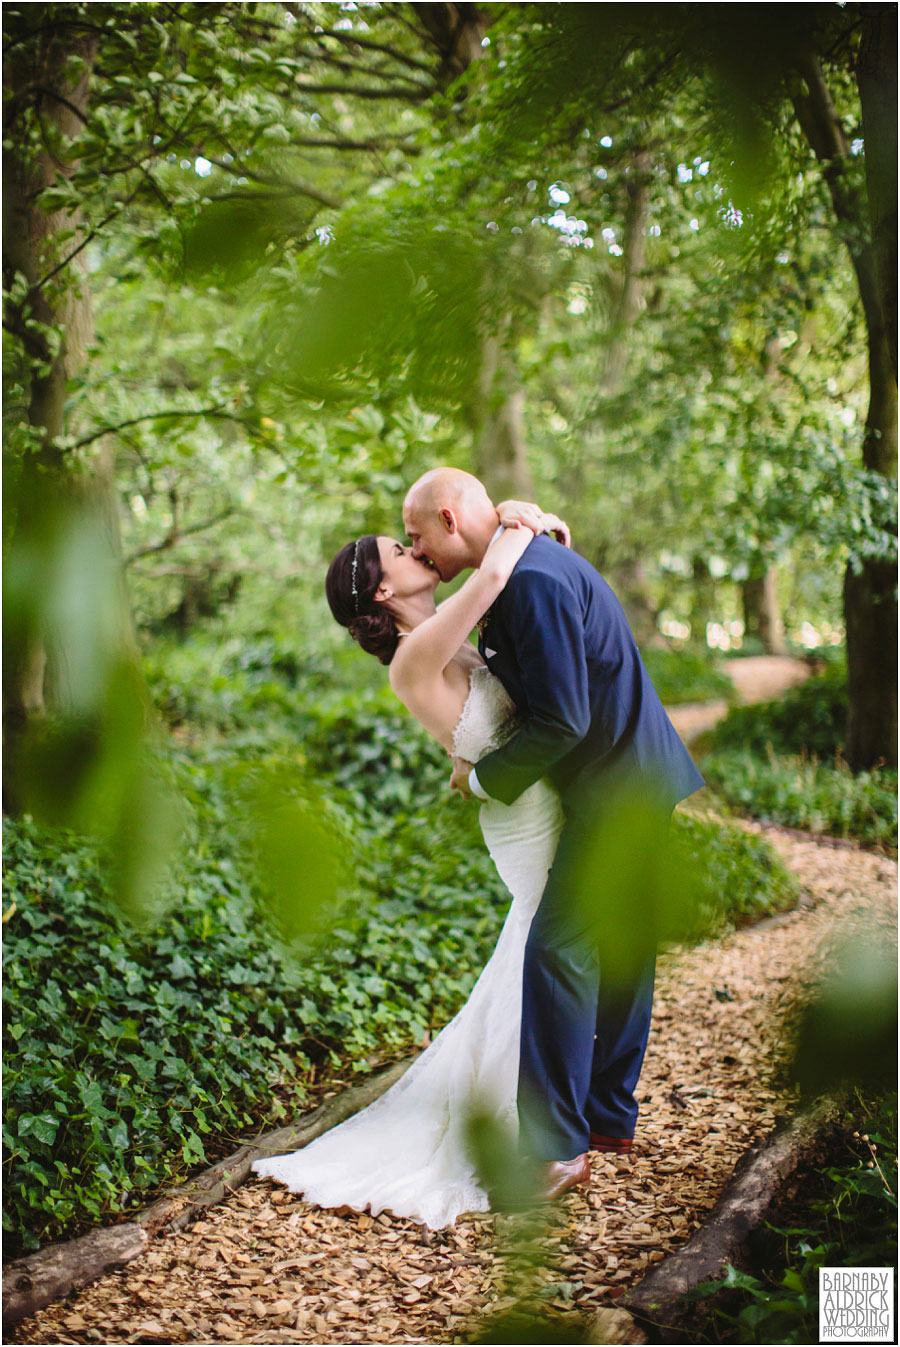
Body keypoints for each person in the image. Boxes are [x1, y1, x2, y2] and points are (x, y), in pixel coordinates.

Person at [252, 499, 572, 1228]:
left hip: (539, 790)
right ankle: (532, 1130)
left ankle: (545, 1115)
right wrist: (522, 518)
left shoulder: (443, 636)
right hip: (523, 817)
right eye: (399, 547)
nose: (414, 546)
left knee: (545, 947)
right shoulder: (413, 656)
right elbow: (492, 580)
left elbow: (501, 671)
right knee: (540, 945)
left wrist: (539, 533)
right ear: (383, 590)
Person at [402, 468, 704, 1201]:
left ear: (448, 516)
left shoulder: (530, 580)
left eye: (417, 536)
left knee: (558, 946)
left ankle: (561, 1146)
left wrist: (482, 777)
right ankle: (607, 1113)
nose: (417, 551)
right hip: (634, 769)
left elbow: (563, 718)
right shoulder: (523, 564)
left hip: (616, 780)